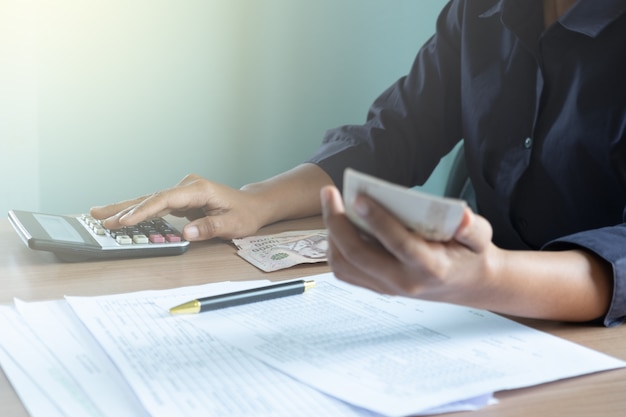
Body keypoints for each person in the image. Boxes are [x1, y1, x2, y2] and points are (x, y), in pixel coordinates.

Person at [91, 0, 626, 327]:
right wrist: (257, 202)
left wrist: (492, 276)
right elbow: (394, 135)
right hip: (473, 314)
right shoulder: (478, 11)